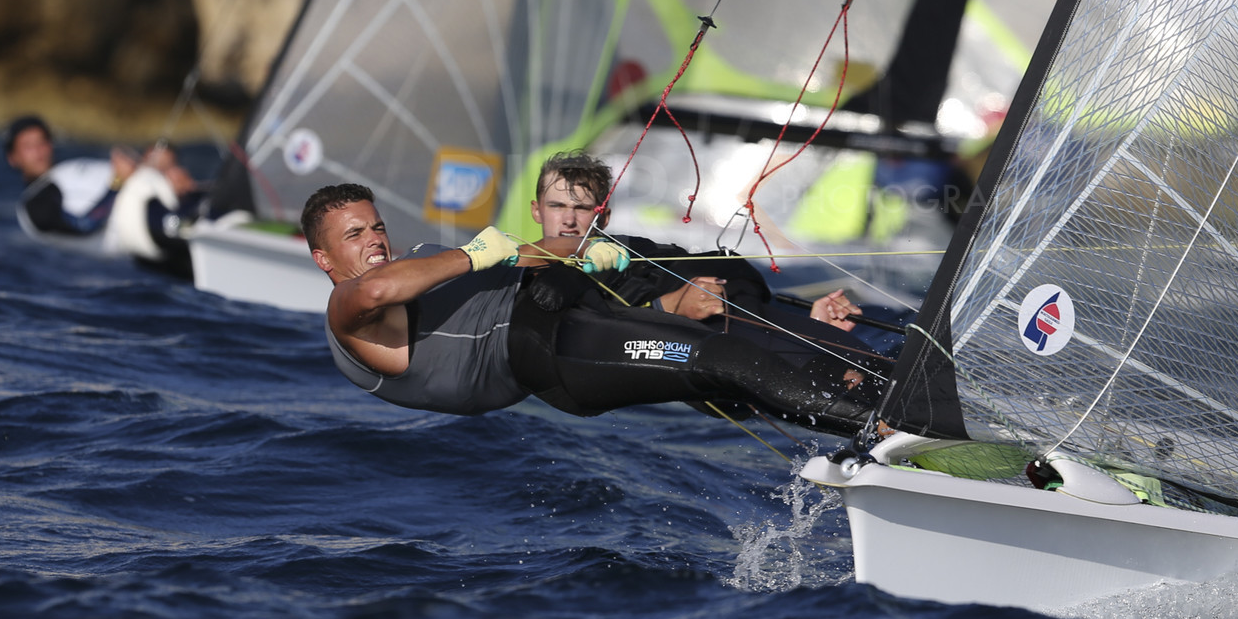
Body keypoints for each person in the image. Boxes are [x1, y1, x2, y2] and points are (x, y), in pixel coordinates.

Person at [307, 183, 880, 435]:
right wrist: (475, 253)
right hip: (546, 353)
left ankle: (867, 373)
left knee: (720, 287)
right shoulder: (347, 309)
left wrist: (585, 251)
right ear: (323, 258)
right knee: (720, 361)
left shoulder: (421, 259)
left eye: (377, 227)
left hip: (566, 298)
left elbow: (528, 254)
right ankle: (879, 426)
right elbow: (378, 292)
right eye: (355, 236)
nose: (374, 242)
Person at [529, 149, 862, 330]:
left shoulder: (634, 252)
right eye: (557, 206)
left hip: (728, 303)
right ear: (537, 211)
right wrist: (668, 307)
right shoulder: (520, 269)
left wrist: (814, 328)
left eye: (582, 208)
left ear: (603, 217)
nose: (569, 220)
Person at [4, 114, 138, 237]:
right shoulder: (36, 203)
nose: (38, 150)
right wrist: (118, 182)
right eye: (28, 146)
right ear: (13, 158)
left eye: (42, 142)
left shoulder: (66, 170)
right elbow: (83, 225)